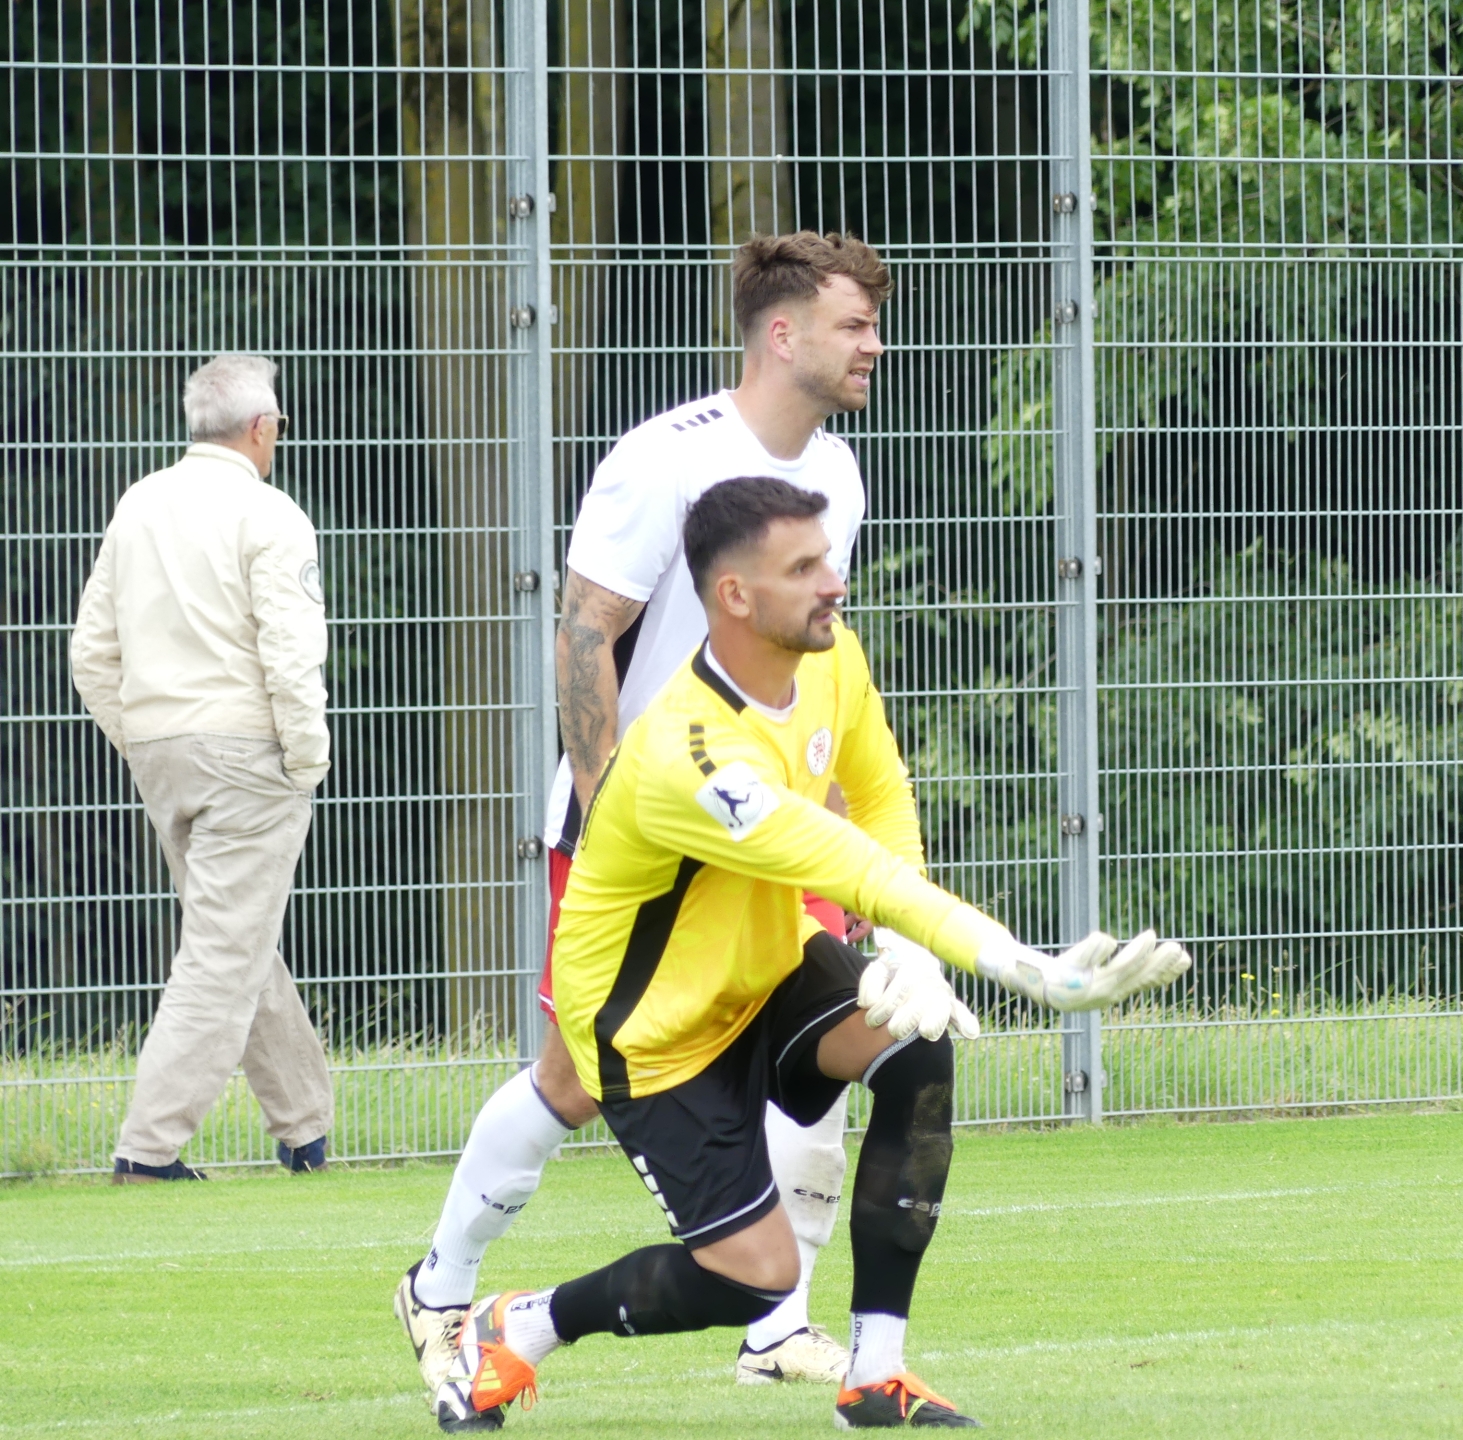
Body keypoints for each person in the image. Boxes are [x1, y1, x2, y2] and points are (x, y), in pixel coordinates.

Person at [431, 478, 1189, 1432]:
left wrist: (912, 954)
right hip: (650, 1030)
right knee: (755, 1281)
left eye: (827, 558)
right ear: (735, 596)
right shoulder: (687, 757)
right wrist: (1024, 967)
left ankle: (876, 1375)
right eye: (804, 567)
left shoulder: (835, 661)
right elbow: (847, 860)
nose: (835, 581)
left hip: (767, 963)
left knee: (914, 1049)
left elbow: (879, 797)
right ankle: (524, 1325)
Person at [396, 231, 900, 1397]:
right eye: (854, 324)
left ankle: (778, 1328)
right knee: (573, 1080)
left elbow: (810, 664)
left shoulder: (841, 476)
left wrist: (834, 825)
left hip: (768, 831)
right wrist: (615, 813)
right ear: (783, 333)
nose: (874, 344)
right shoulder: (664, 459)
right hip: (647, 840)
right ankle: (440, 1287)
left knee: (829, 1044)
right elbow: (586, 632)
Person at [70, 353, 333, 1183]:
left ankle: (305, 1126)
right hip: (249, 756)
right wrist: (306, 758)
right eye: (278, 423)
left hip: (161, 752)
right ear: (259, 427)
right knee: (221, 954)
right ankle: (147, 1150)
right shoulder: (272, 515)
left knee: (234, 937)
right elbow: (290, 653)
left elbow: (90, 653)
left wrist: (143, 737)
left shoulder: (139, 503)